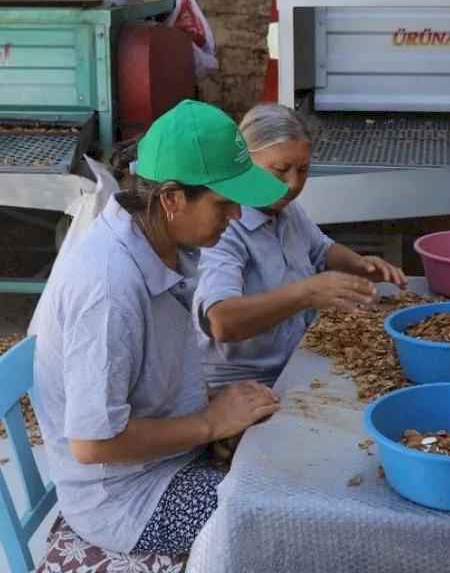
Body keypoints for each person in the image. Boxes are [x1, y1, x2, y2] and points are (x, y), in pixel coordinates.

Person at [28, 100, 288, 557]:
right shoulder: (108, 289)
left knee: (289, 465)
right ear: (170, 198)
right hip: (125, 496)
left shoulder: (159, 236)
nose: (235, 217)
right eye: (224, 203)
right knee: (281, 525)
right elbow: (91, 444)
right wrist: (209, 422)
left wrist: (209, 410)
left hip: (165, 457)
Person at [194, 103, 407, 391]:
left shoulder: (286, 210)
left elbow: (322, 249)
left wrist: (361, 265)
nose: (293, 184)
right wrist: (306, 293)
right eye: (280, 170)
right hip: (242, 386)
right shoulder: (223, 228)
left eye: (303, 170)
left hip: (297, 360)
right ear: (242, 163)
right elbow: (221, 321)